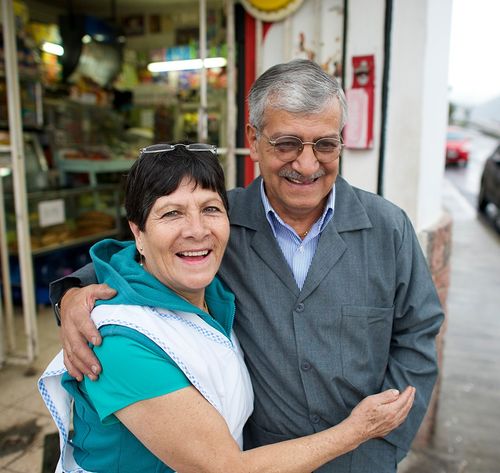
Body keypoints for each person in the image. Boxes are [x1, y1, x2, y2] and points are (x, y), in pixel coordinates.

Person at [51, 59, 444, 472]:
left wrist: (383, 445)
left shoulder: (387, 227)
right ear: (254, 140)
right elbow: (139, 259)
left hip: (361, 459)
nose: (307, 165)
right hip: (257, 458)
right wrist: (73, 296)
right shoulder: (220, 222)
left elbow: (417, 336)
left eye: (325, 144)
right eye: (287, 143)